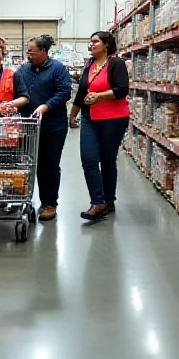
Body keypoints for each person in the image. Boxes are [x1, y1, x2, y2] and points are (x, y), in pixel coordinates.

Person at [70, 31, 130, 222]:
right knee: (88, 158)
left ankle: (109, 200)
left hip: (113, 118)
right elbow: (81, 91)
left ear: (106, 44)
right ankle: (97, 201)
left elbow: (122, 89)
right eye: (90, 41)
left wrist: (100, 96)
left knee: (107, 160)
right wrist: (72, 115)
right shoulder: (89, 64)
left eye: (95, 41)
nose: (91, 44)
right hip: (89, 118)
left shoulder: (116, 64)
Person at [18, 35, 72, 222]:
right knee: (27, 163)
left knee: (49, 165)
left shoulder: (58, 69)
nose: (29, 55)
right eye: (28, 51)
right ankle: (22, 199)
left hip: (53, 126)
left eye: (31, 51)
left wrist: (45, 106)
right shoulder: (23, 69)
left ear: (43, 51)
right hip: (27, 125)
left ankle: (49, 203)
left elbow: (64, 92)